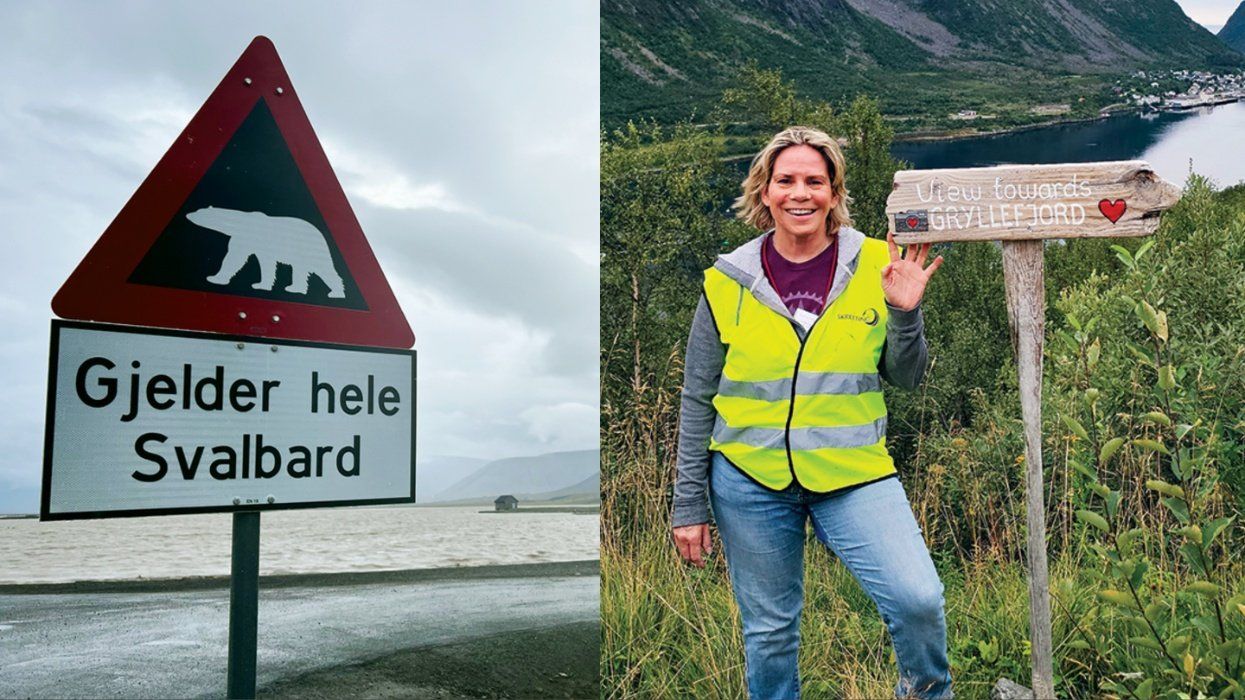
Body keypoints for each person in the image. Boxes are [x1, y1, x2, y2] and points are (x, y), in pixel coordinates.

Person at [671, 126, 951, 700]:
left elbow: (909, 376)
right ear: (765, 191)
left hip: (854, 472)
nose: (801, 193)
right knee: (769, 634)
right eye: (786, 180)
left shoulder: (880, 261)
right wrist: (687, 503)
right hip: (748, 480)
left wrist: (904, 312)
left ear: (834, 191)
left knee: (917, 599)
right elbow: (697, 397)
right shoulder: (727, 280)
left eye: (814, 181)